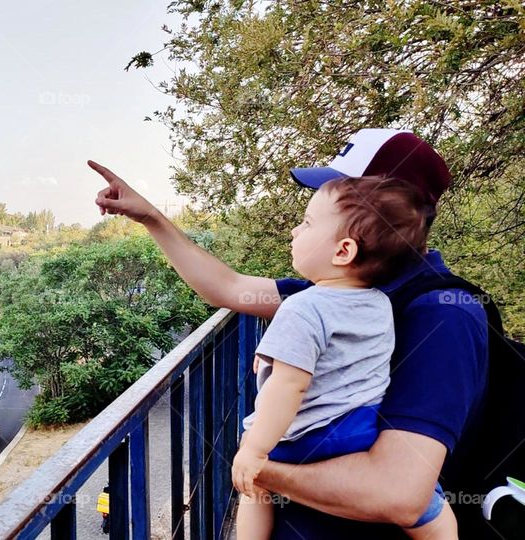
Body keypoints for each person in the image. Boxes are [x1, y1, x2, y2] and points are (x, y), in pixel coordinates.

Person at [89, 128, 489, 538]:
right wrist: (150, 217)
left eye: (338, 192)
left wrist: (258, 468)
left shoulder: (443, 316)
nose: (297, 228)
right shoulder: (345, 288)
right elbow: (226, 288)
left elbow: (398, 494)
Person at [231, 175, 455, 539]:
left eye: (306, 223)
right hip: (361, 432)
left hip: (302, 438)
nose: (293, 231)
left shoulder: (302, 307)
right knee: (434, 511)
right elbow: (336, 355)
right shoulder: (379, 302)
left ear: (343, 252)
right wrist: (272, 355)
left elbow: (289, 385)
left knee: (253, 487)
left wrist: (255, 450)